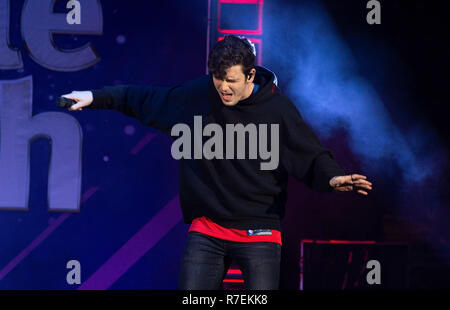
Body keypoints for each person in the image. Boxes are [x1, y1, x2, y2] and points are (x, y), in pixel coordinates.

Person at [61, 35, 372, 290]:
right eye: (218, 78)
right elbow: (143, 98)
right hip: (208, 230)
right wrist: (94, 96)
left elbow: (309, 154)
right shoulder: (199, 96)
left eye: (232, 80)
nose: (224, 87)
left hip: (259, 232)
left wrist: (332, 178)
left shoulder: (277, 110)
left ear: (251, 75)